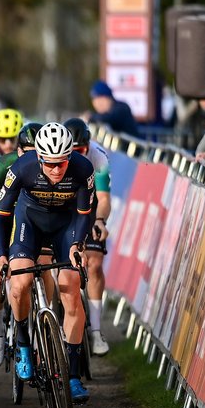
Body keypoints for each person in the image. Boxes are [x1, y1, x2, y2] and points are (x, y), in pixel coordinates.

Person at [0, 122, 95, 404]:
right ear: (39, 158)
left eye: (62, 163)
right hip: (29, 223)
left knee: (70, 288)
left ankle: (73, 376)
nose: (57, 170)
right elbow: (0, 216)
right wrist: (1, 257)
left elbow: (85, 213)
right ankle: (23, 343)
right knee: (20, 282)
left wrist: (77, 245)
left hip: (66, 226)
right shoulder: (21, 169)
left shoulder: (83, 170)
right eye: (50, 164)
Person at [0, 122, 40, 366]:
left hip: (34, 224)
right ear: (19, 151)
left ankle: (46, 324)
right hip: (4, 221)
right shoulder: (4, 164)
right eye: (28, 152)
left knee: (45, 271)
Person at [63, 118, 113, 356]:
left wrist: (100, 221)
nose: (77, 156)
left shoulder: (98, 157)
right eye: (72, 152)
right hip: (61, 206)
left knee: (93, 263)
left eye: (81, 151)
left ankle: (95, 331)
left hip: (89, 207)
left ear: (88, 145)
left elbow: (103, 198)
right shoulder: (56, 156)